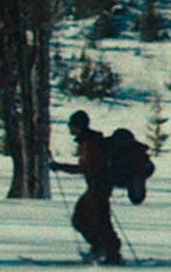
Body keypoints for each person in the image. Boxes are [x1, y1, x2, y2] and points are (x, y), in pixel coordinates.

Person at [55, 109, 154, 264]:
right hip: (98, 185)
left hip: (99, 186)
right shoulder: (90, 141)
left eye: (72, 125)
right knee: (89, 219)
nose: (70, 128)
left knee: (93, 220)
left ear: (79, 126)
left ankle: (110, 252)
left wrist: (61, 167)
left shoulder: (91, 143)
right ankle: (104, 248)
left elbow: (88, 167)